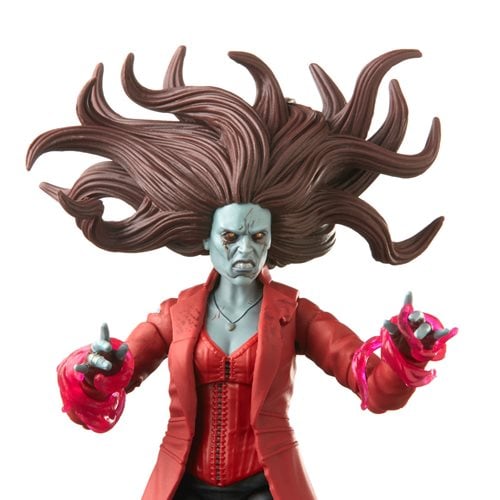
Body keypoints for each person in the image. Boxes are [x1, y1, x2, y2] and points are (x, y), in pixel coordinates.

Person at [27, 47, 456, 500]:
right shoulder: (176, 316)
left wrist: (405, 354)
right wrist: (96, 371)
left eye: (258, 237)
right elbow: (109, 384)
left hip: (266, 487)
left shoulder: (294, 314)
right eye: (231, 237)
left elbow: (369, 382)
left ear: (274, 241)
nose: (245, 251)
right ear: (206, 238)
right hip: (183, 487)